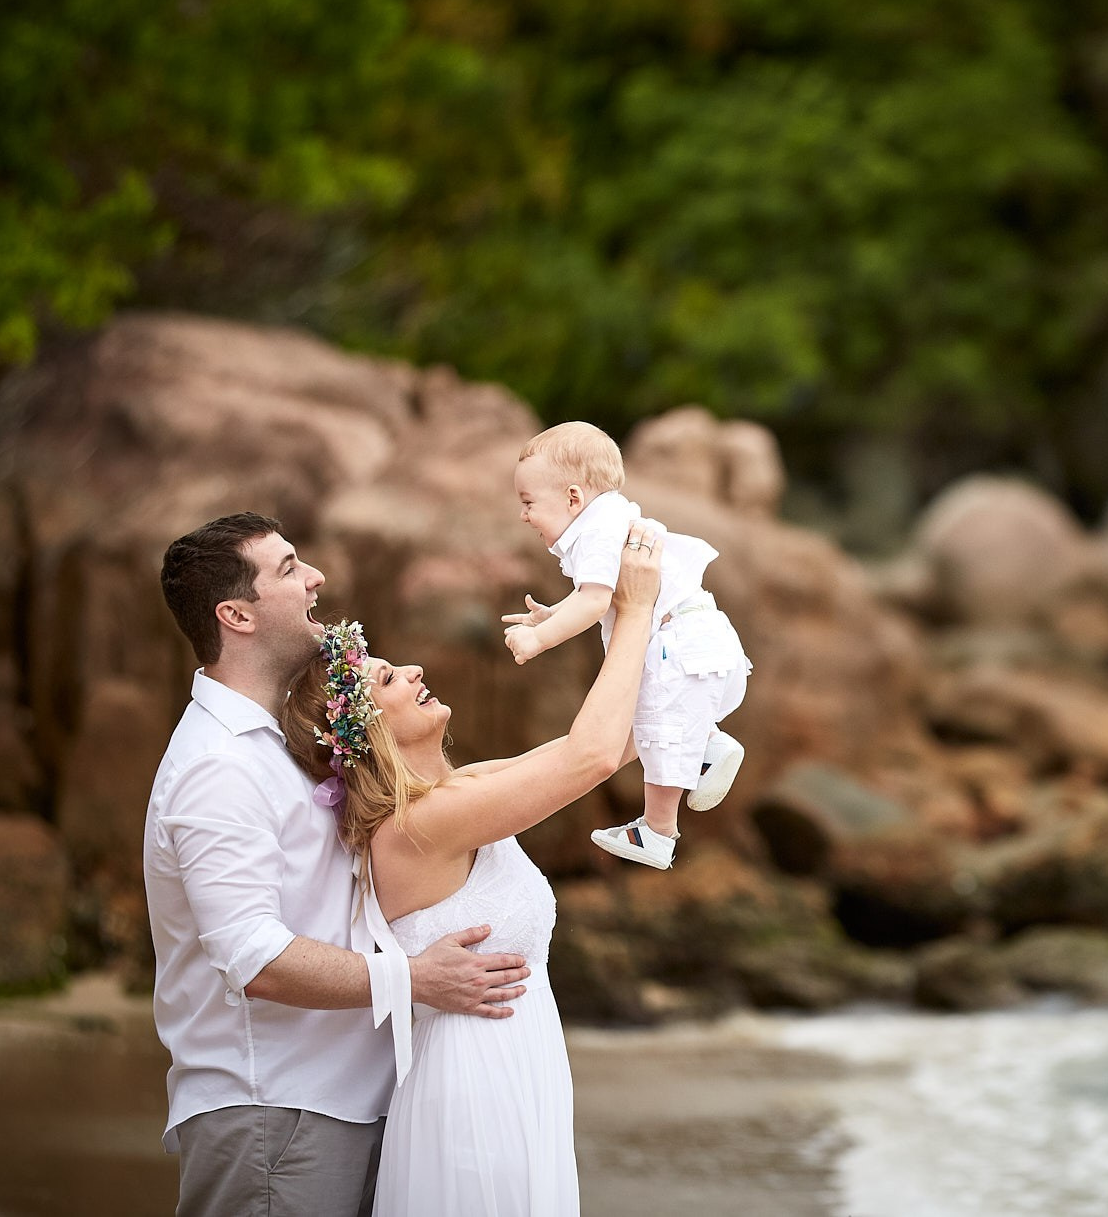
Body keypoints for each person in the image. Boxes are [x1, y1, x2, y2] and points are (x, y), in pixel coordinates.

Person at [148, 512, 535, 1217]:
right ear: (236, 614)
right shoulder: (216, 765)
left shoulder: (281, 744)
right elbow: (253, 956)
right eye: (289, 569)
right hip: (274, 1111)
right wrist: (415, 978)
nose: (316, 578)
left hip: (350, 1104)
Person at [280, 520, 665, 1217]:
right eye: (390, 678)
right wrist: (634, 610)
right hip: (475, 1099)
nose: (415, 671)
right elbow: (591, 757)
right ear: (367, 731)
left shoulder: (459, 791)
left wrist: (647, 625)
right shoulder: (418, 825)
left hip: (518, 1076)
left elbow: (620, 741)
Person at [503, 420, 752, 870]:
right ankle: (710, 747)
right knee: (668, 715)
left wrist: (539, 638)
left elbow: (596, 601)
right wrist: (552, 614)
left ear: (573, 497)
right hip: (703, 638)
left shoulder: (595, 532)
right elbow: (595, 594)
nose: (523, 515)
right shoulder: (609, 518)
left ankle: (658, 831)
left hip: (681, 647)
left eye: (528, 502)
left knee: (657, 726)